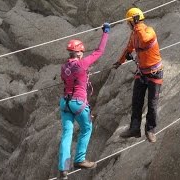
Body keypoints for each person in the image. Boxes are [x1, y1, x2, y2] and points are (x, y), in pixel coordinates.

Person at [58, 23, 110, 179]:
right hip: (78, 103)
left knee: (67, 134)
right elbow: (99, 51)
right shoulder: (82, 63)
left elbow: (66, 79)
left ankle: (63, 168)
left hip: (65, 103)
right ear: (79, 52)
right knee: (87, 128)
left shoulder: (63, 67)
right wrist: (105, 32)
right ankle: (80, 159)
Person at [113, 7, 163, 143]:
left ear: (133, 21)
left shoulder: (148, 30)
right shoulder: (134, 34)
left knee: (152, 103)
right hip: (141, 73)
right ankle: (135, 128)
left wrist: (137, 26)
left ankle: (150, 130)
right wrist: (119, 62)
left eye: (129, 22)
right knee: (136, 102)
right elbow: (128, 48)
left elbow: (145, 40)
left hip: (154, 73)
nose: (128, 25)